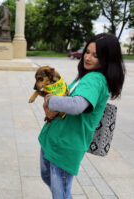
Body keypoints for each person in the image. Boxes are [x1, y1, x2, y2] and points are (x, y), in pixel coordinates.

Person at [39, 33, 125, 199]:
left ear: (107, 59)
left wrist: (50, 100)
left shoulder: (95, 79)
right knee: (50, 180)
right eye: (87, 52)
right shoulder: (87, 75)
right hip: (56, 140)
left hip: (66, 146)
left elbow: (77, 105)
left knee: (61, 194)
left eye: (96, 55)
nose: (88, 57)